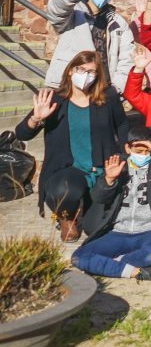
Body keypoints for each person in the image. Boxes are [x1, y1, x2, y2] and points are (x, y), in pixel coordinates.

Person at [16, 51, 128, 241]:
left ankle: (87, 203)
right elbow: (21, 134)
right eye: (80, 69)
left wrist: (125, 151)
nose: (85, 75)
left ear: (98, 74)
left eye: (91, 71)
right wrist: (36, 118)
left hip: (103, 169)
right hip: (69, 170)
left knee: (95, 229)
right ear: (70, 71)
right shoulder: (54, 100)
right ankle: (67, 217)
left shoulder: (107, 96)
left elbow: (122, 124)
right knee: (63, 190)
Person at [71, 127, 151, 283]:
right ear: (128, 148)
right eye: (139, 151)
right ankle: (138, 271)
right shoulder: (118, 166)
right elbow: (98, 197)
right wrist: (109, 180)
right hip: (118, 231)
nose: (143, 155)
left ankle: (107, 266)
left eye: (147, 151)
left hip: (149, 231)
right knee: (79, 257)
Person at [45, 0, 135, 93]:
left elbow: (127, 59)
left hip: (102, 89)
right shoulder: (73, 13)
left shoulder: (118, 23)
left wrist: (116, 88)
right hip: (68, 86)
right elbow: (56, 11)